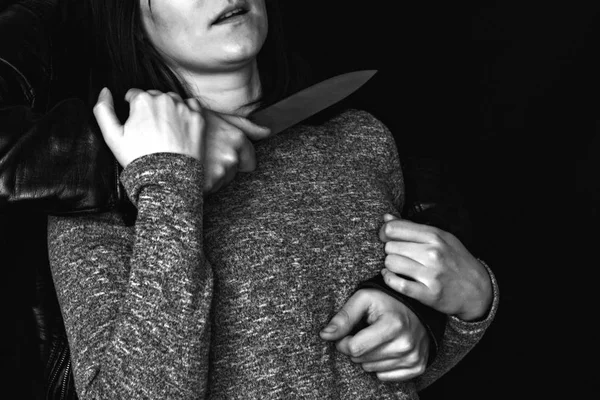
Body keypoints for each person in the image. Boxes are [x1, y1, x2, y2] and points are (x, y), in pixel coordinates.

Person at [0, 0, 498, 398]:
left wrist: (467, 308)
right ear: (132, 21)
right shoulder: (101, 194)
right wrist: (169, 182)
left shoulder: (363, 140)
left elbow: (364, 373)